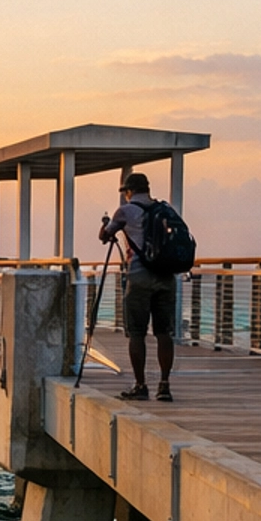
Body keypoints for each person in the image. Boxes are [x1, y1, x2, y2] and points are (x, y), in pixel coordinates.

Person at [99, 172, 175, 402]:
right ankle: (164, 386)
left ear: (129, 191)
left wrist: (106, 225)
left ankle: (141, 385)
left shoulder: (125, 211)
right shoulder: (165, 209)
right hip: (165, 277)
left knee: (136, 333)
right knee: (164, 333)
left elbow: (105, 236)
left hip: (139, 278)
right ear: (148, 189)